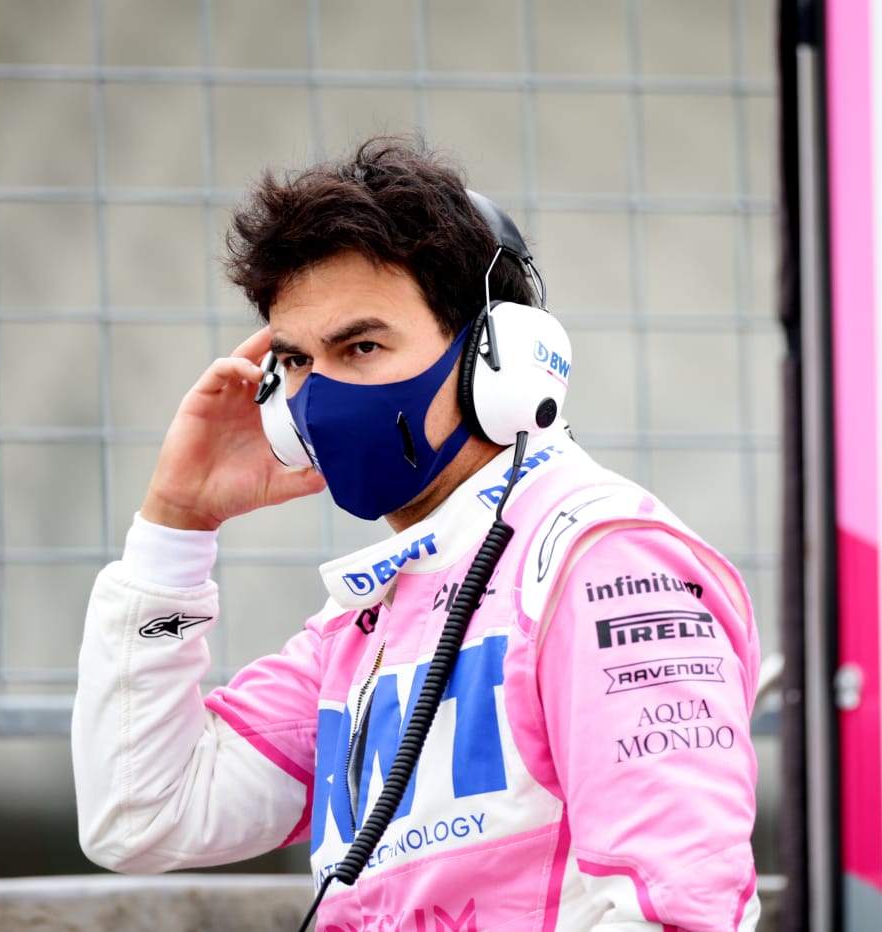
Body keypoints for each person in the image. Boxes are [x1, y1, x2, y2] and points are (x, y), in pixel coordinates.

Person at [71, 135, 762, 930]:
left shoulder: (602, 563)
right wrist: (176, 528)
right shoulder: (371, 614)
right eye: (295, 362)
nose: (319, 396)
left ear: (501, 363)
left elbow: (677, 909)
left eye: (361, 346)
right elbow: (142, 814)